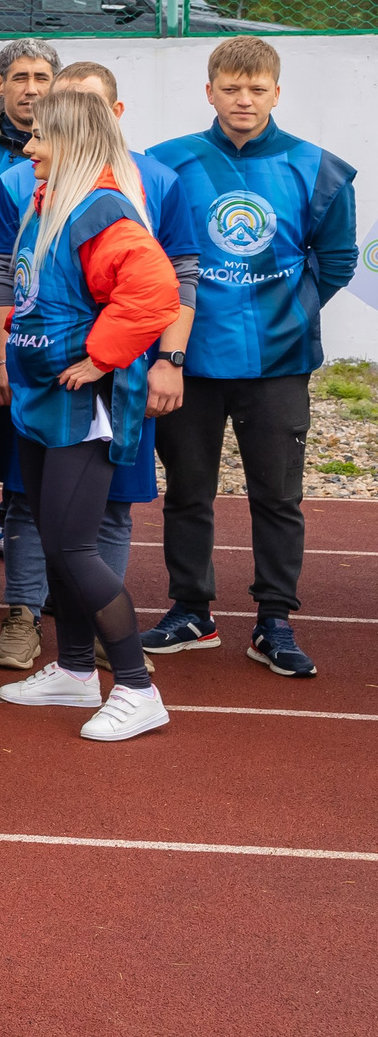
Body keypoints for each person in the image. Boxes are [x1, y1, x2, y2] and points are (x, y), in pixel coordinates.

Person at [142, 38, 358, 678]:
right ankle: (191, 610)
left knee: (278, 496)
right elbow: (151, 257)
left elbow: (337, 260)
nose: (244, 100)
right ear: (209, 91)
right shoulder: (165, 163)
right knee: (188, 491)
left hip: (279, 361)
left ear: (276, 93)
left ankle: (275, 620)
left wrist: (291, 312)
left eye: (257, 89)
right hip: (189, 359)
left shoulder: (319, 168)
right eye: (231, 88)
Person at [0, 89, 180, 740]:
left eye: (41, 136)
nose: (29, 147)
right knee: (55, 541)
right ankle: (75, 671)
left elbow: (155, 290)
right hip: (40, 396)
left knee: (74, 547)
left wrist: (102, 357)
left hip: (81, 405)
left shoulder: (100, 209)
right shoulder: (48, 202)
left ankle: (137, 687)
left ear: (73, 141)